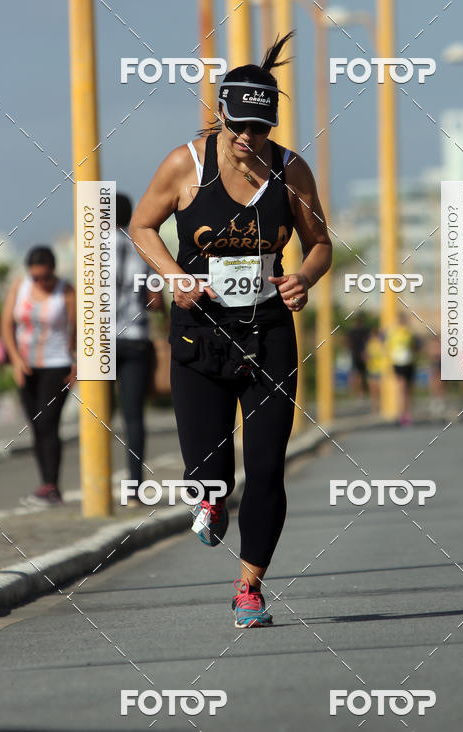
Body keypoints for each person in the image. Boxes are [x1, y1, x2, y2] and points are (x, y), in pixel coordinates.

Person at [129, 33, 332, 627]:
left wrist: (303, 279)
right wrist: (175, 278)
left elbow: (320, 243)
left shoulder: (290, 170)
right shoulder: (185, 165)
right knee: (208, 470)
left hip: (268, 333)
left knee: (266, 466)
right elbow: (142, 227)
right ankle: (209, 499)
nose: (248, 138)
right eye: (239, 126)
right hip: (200, 333)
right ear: (220, 114)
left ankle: (249, 587)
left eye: (260, 129)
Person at [0, 246, 76, 505]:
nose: (40, 282)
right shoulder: (19, 286)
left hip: (58, 364)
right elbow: (6, 324)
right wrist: (15, 360)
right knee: (35, 424)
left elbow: (77, 330)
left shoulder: (65, 291)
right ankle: (45, 484)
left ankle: (52, 486)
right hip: (26, 366)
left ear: (53, 271)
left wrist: (76, 365)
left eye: (45, 277)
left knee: (47, 423)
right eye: (36, 277)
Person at [115, 193, 164, 505]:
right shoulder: (142, 246)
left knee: (96, 415)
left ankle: (95, 483)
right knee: (133, 417)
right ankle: (134, 488)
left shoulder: (91, 248)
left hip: (99, 343)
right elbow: (155, 301)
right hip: (135, 338)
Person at [386, 313, 419, 425]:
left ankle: (408, 413)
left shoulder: (409, 333)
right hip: (398, 364)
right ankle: (402, 414)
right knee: (401, 388)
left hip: (409, 363)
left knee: (408, 390)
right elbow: (388, 348)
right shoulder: (393, 333)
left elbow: (413, 347)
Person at [346, 314, 370, 396]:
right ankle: (358, 391)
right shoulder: (362, 331)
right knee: (357, 373)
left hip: (357, 354)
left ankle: (357, 391)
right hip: (358, 354)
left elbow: (348, 342)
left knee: (357, 373)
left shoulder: (354, 331)